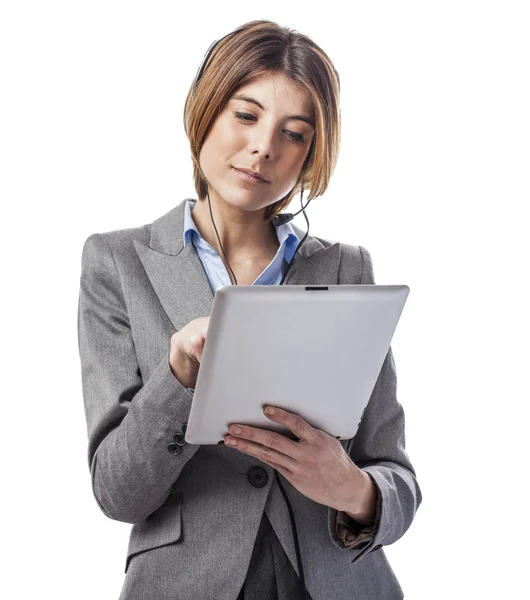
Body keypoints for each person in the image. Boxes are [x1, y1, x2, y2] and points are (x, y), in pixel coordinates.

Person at [77, 19, 422, 600]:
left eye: (295, 133)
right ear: (204, 109)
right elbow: (117, 493)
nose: (265, 146)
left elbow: (397, 479)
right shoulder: (116, 263)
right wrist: (180, 378)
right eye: (246, 115)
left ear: (312, 155)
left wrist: (352, 490)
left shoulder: (345, 270)